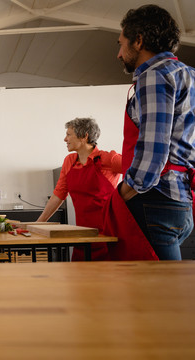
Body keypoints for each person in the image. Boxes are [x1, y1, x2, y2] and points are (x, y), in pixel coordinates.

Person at [116, 4, 195, 260]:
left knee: (159, 296)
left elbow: (153, 152)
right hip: (182, 201)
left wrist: (123, 193)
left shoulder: (153, 75)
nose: (119, 54)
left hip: (155, 201)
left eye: (121, 43)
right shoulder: (190, 75)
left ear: (138, 41)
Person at [36, 117, 122, 261]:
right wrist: (38, 224)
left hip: (108, 237)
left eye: (69, 134)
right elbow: (59, 194)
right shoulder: (69, 161)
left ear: (84, 136)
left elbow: (139, 171)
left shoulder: (108, 159)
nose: (65, 139)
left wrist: (125, 194)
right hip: (82, 235)